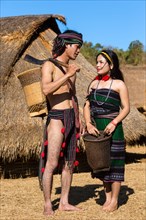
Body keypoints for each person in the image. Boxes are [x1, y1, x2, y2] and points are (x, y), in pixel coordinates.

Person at [39, 30, 83, 216]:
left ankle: (64, 202)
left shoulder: (71, 68)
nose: (78, 51)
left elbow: (73, 96)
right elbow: (46, 89)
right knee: (52, 162)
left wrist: (79, 120)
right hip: (56, 117)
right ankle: (48, 203)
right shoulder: (48, 65)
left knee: (69, 163)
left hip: (71, 115)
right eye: (77, 46)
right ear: (67, 45)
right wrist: (67, 75)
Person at [83, 49, 130, 212]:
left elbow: (126, 108)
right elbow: (87, 106)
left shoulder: (119, 84)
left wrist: (114, 122)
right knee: (101, 162)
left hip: (114, 129)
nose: (97, 65)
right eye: (97, 62)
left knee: (115, 164)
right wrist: (88, 123)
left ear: (111, 65)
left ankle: (115, 200)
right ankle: (107, 197)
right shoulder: (93, 84)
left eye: (101, 62)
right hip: (97, 129)